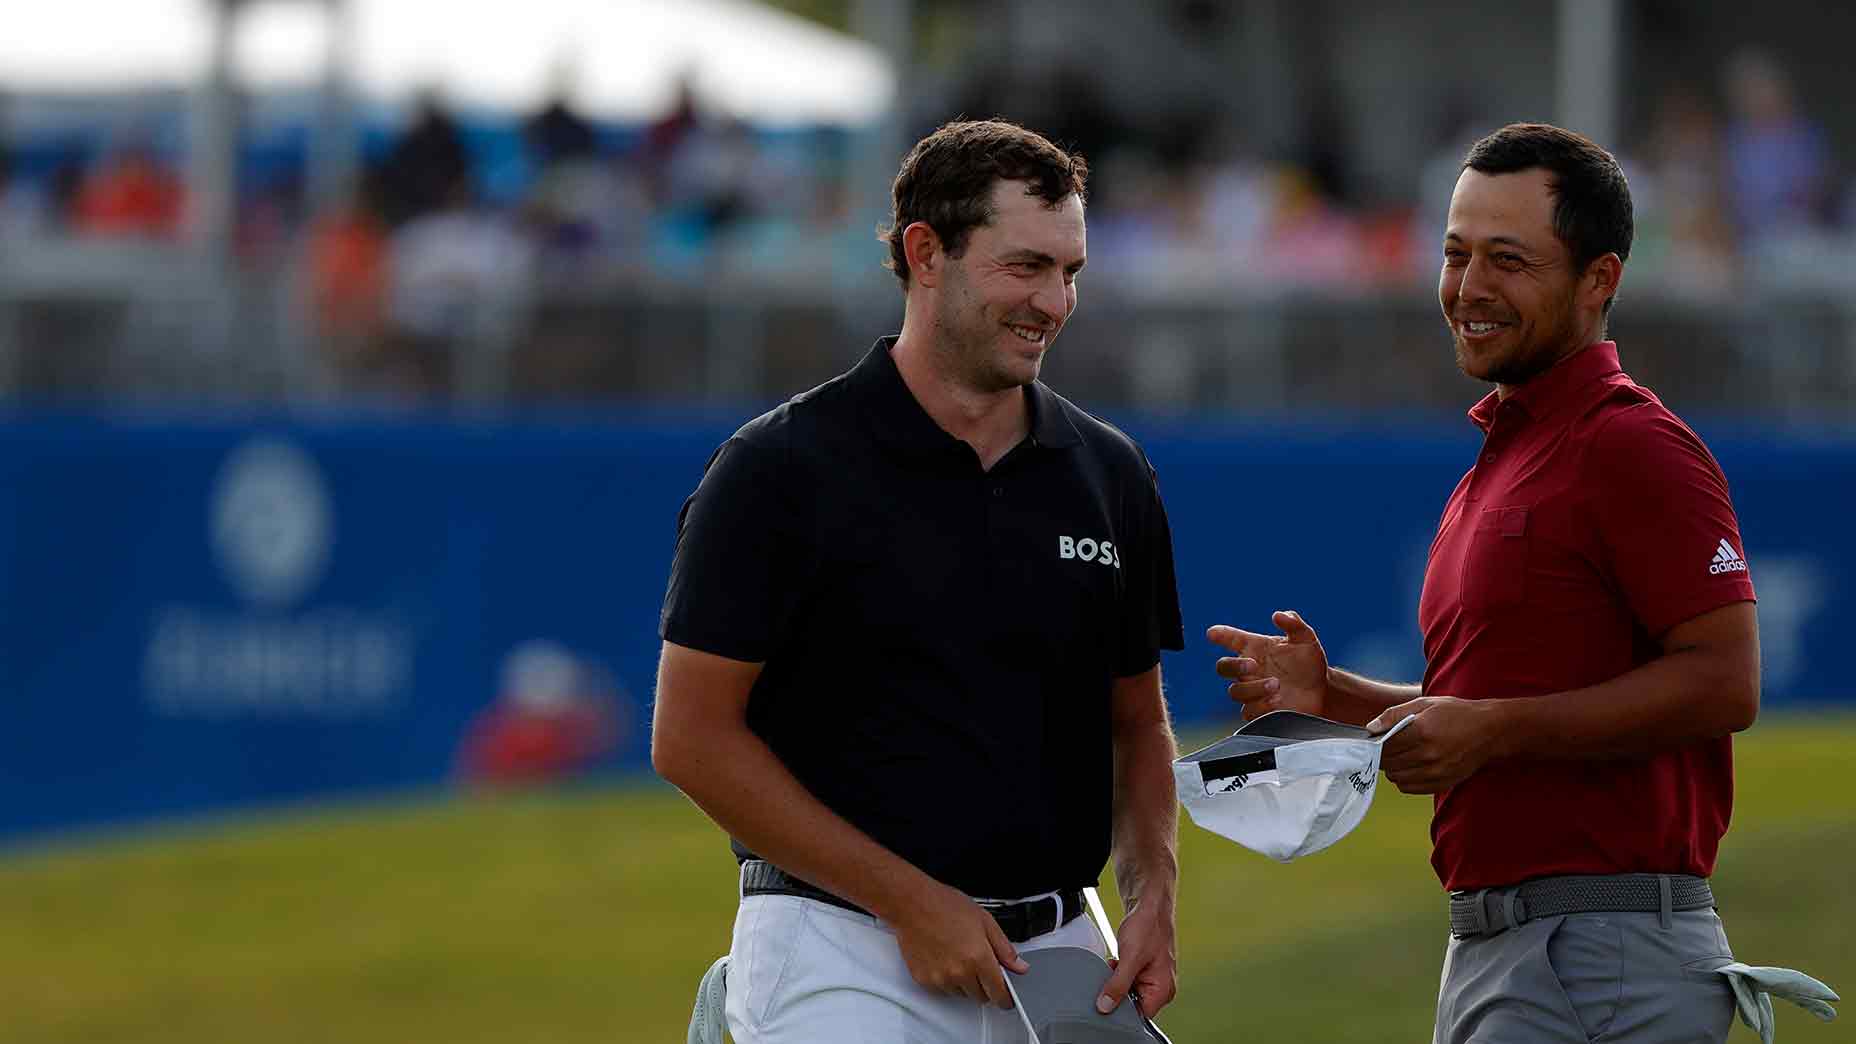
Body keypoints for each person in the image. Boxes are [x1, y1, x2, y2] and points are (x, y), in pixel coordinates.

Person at [1210, 123, 1763, 1043]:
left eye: (1509, 260)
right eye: (1456, 254)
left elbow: (1725, 680)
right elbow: (1484, 710)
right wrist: (1336, 697)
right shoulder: (1500, 461)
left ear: (1600, 280)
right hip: (1508, 948)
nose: (1469, 289)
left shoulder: (1632, 444)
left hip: (1603, 955)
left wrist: (1496, 728)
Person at [653, 119, 1184, 1044]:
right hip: (838, 945)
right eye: (1026, 267)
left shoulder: (1110, 473)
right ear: (925, 253)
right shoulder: (777, 468)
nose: (1055, 302)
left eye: (1071, 272)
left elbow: (1137, 725)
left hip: (1056, 958)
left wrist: (1155, 896)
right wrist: (909, 902)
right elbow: (691, 739)